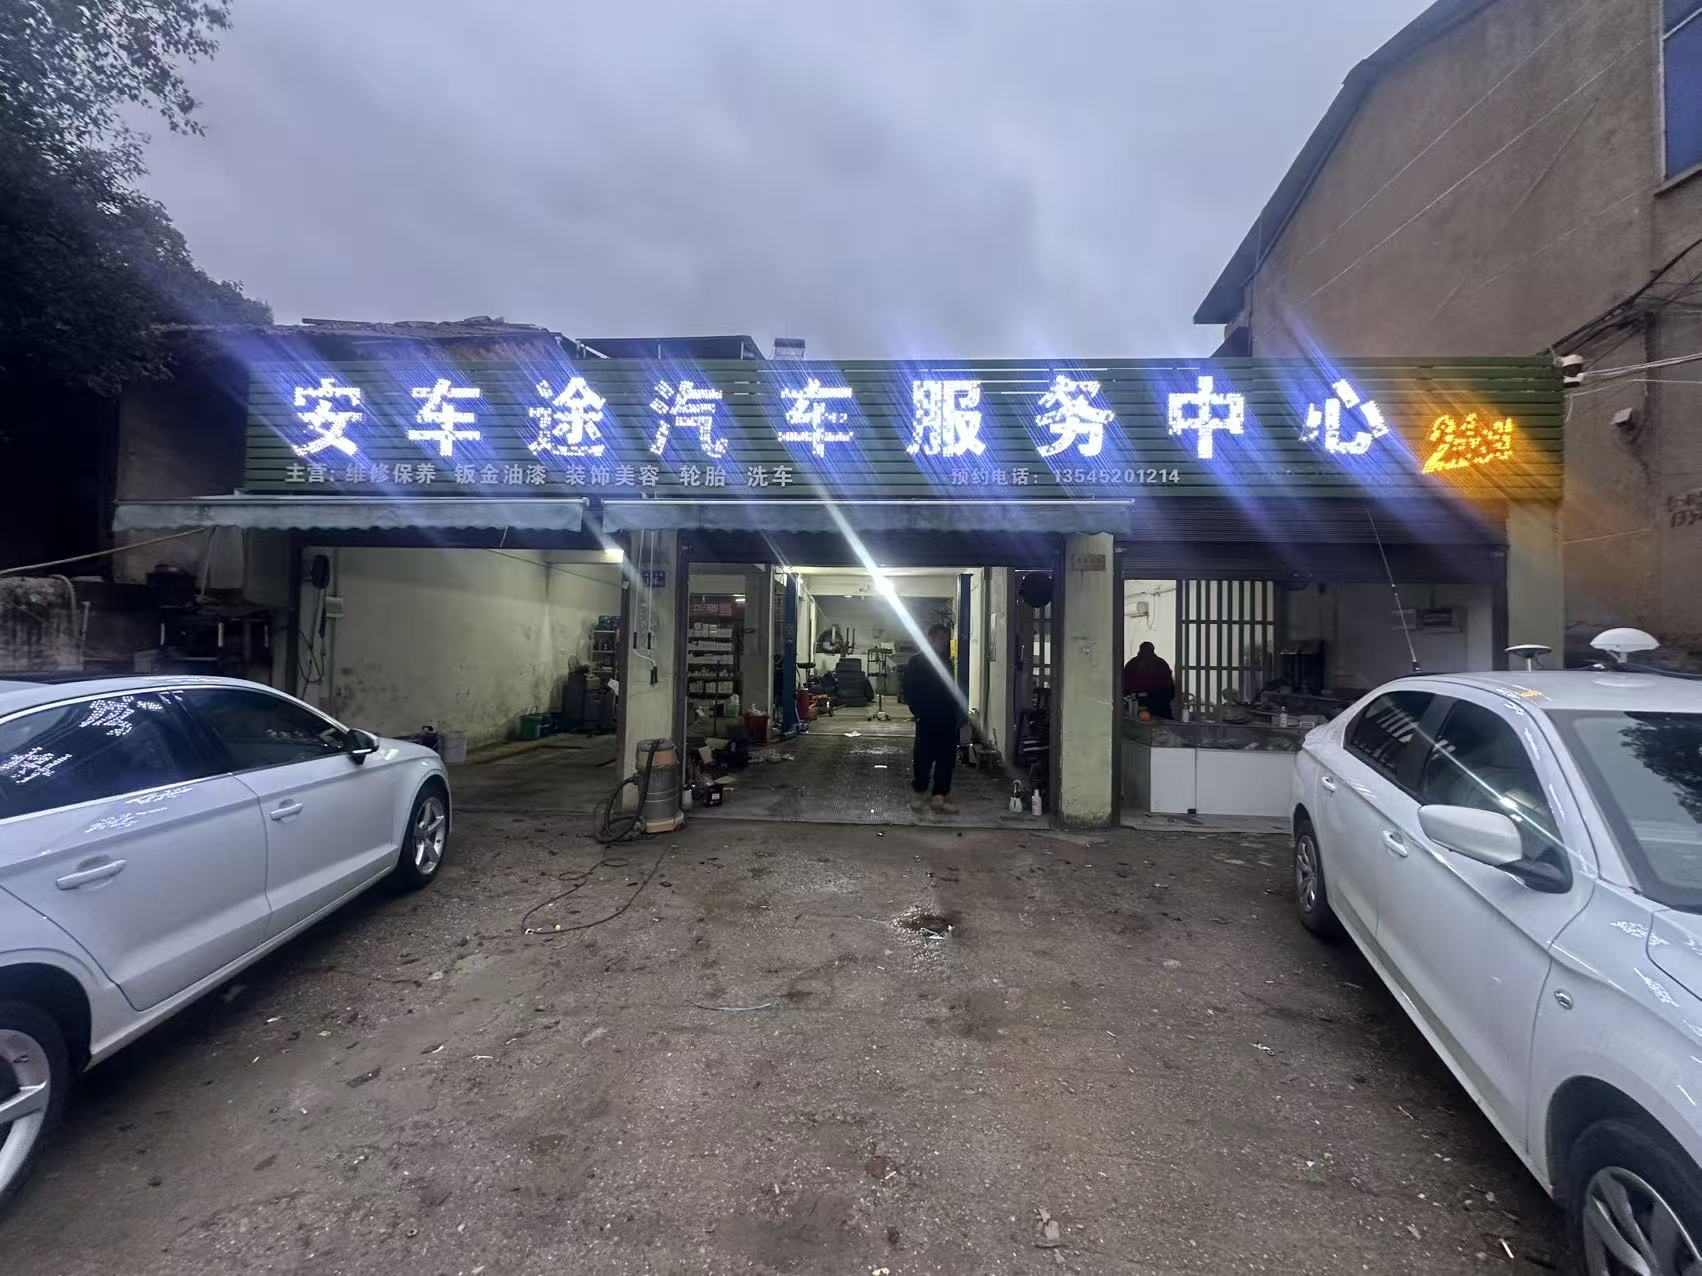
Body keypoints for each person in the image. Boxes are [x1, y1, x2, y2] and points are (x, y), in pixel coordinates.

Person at [903, 623, 964, 815]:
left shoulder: (946, 662)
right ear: (930, 639)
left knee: (946, 757)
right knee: (923, 755)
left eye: (946, 640)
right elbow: (909, 690)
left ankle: (939, 794)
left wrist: (957, 714)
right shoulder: (917, 662)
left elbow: (951, 689)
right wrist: (918, 713)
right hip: (927, 717)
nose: (943, 643)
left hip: (947, 717)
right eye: (940, 639)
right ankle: (919, 790)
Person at [1122, 641, 1175, 719]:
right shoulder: (1161, 663)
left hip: (1138, 704)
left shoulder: (1132, 664)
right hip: (1160, 704)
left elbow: (1125, 685)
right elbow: (1170, 687)